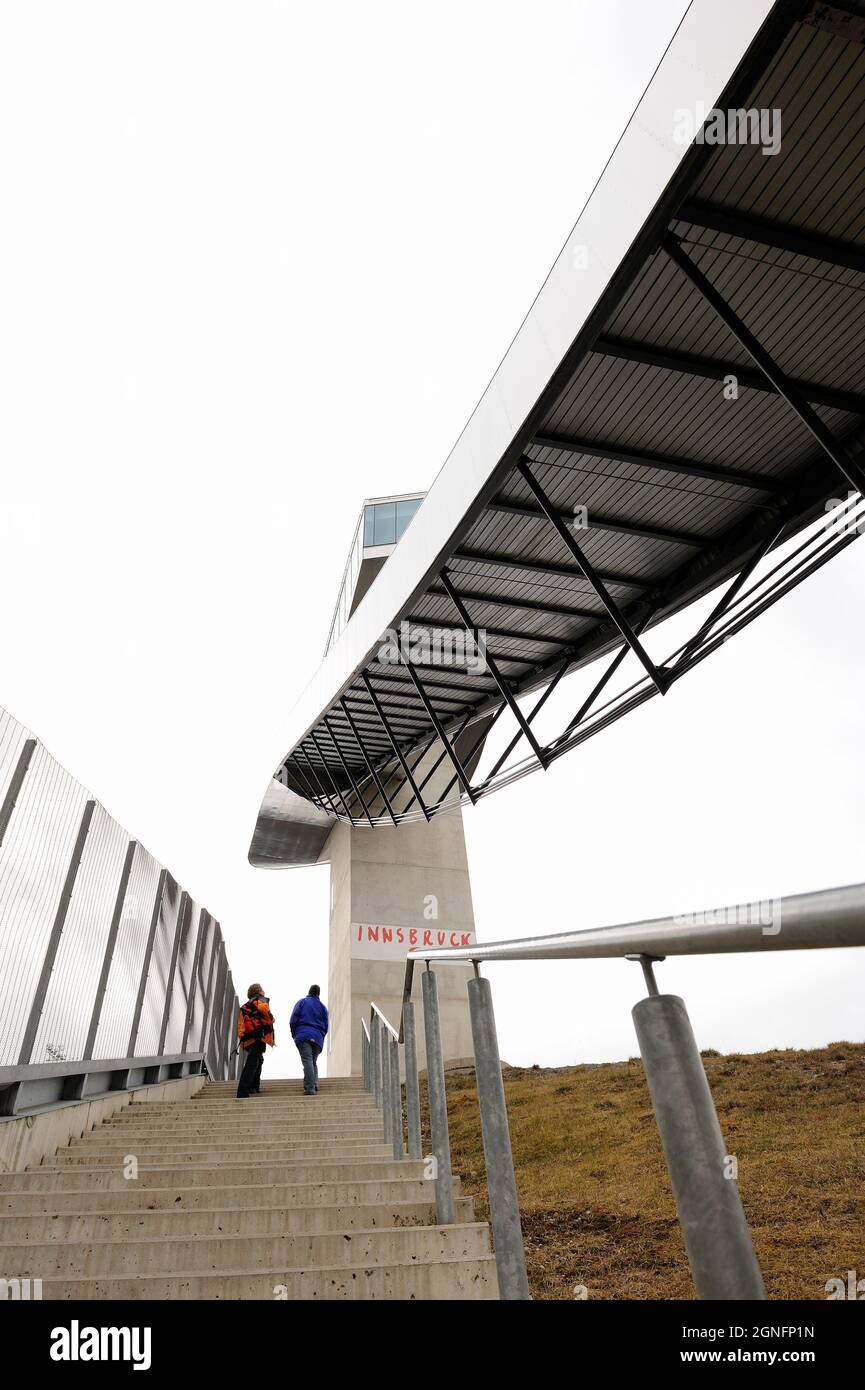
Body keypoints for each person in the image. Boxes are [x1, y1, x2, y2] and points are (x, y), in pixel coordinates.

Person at [236, 984, 275, 1099]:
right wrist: (271, 1017)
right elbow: (264, 1010)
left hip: (247, 1038)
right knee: (252, 1063)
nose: (264, 991)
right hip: (258, 1036)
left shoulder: (246, 1005)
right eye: (263, 989)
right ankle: (242, 1091)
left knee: (258, 1060)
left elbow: (240, 1024)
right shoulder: (259, 1000)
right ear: (259, 991)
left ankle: (253, 1087)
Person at [290, 985, 328, 1095]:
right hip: (317, 1038)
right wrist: (320, 1036)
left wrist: (294, 1034)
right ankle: (314, 1083)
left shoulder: (302, 1002)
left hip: (303, 1035)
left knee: (307, 1060)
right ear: (318, 994)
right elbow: (326, 1026)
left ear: (309, 991)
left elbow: (293, 1020)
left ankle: (310, 1088)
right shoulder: (322, 1007)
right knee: (313, 1061)